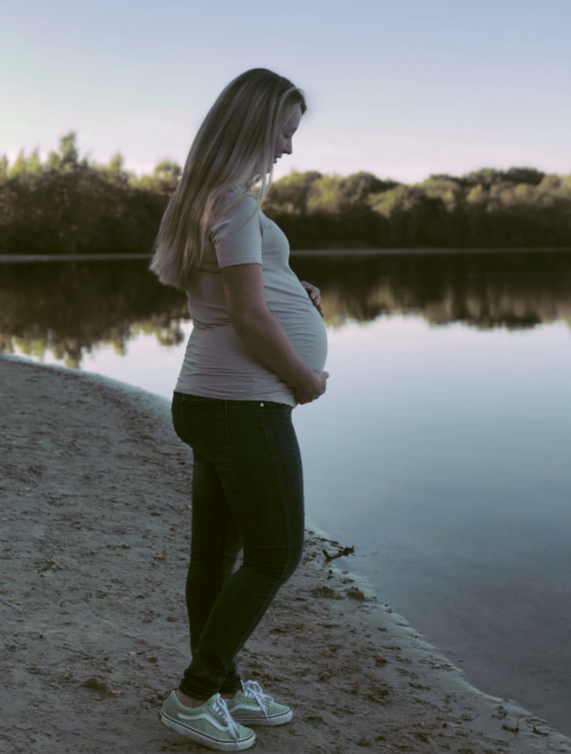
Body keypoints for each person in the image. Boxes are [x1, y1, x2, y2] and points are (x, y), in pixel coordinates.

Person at [150, 68, 329, 752]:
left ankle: (221, 687)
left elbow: (234, 297)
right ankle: (194, 695)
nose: (288, 147)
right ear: (255, 126)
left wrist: (290, 286)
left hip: (208, 398)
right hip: (243, 404)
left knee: (215, 557)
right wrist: (303, 379)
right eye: (284, 130)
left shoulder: (201, 201)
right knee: (276, 553)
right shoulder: (234, 204)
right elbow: (248, 316)